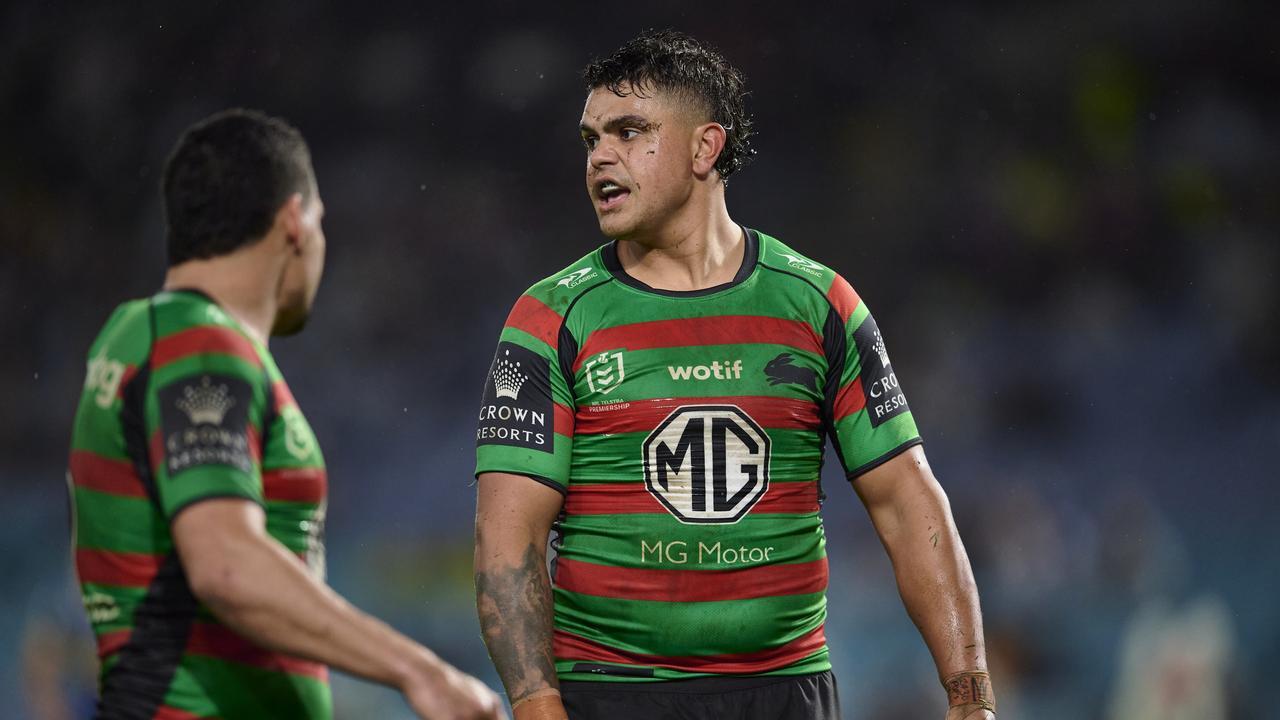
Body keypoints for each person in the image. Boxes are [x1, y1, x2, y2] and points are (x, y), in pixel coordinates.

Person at [473, 30, 995, 720]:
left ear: (704, 147)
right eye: (592, 137)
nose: (600, 155)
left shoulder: (819, 304)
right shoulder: (549, 318)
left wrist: (971, 698)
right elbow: (508, 543)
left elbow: (907, 502)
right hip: (611, 696)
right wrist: (538, 707)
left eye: (629, 132)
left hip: (786, 692)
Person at [67, 109, 505, 720]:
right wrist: (420, 671)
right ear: (294, 222)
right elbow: (224, 563)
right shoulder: (200, 347)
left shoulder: (140, 336)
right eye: (323, 222)